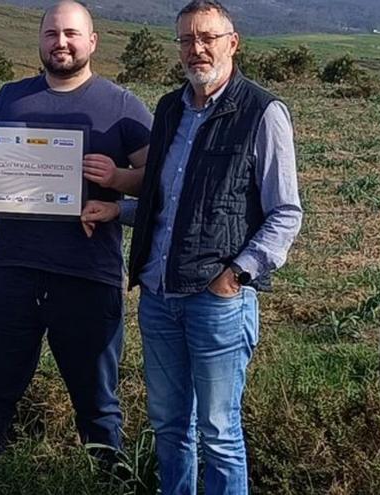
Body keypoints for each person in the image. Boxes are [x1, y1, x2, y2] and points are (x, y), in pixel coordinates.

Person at [81, 1, 303, 493]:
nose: (196, 49)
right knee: (169, 426)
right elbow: (167, 201)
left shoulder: (262, 113)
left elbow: (286, 213)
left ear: (232, 42)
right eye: (186, 39)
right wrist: (119, 209)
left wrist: (235, 275)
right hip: (159, 295)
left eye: (206, 38)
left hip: (215, 300)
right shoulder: (169, 109)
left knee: (219, 432)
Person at [0, 0, 152, 473]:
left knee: (97, 398)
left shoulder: (122, 106)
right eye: (52, 34)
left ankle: (108, 477)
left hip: (87, 274)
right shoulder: (10, 97)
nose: (61, 42)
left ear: (92, 42)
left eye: (72, 34)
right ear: (39, 41)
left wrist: (118, 180)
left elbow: (159, 181)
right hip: (10, 268)